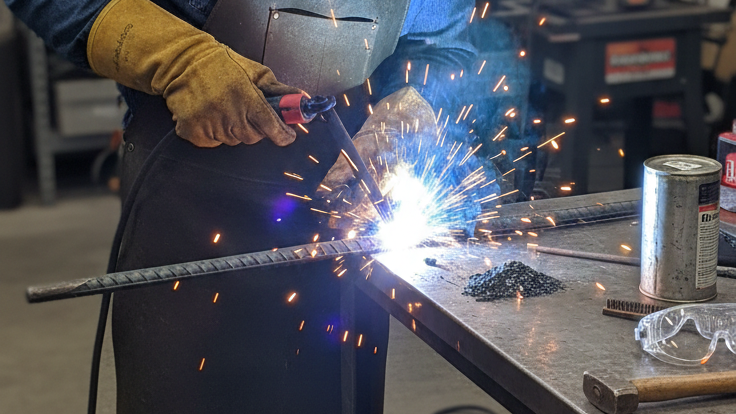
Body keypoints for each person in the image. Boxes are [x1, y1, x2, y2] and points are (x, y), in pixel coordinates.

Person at [6, 0, 491, 412]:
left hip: (355, 189)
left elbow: (446, 41)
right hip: (190, 178)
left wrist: (421, 99)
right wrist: (174, 56)